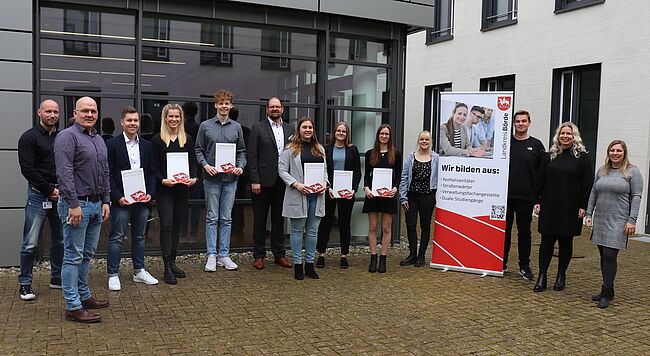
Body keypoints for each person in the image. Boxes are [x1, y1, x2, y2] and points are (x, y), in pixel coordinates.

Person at [53, 96, 110, 323]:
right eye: (84, 110)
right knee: (72, 257)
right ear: (75, 113)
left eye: (93, 111)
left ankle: (84, 295)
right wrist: (73, 205)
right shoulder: (67, 137)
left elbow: (105, 171)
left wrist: (106, 200)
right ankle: (73, 306)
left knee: (86, 255)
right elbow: (64, 173)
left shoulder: (98, 139)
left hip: (96, 204)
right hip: (77, 206)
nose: (89, 114)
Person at [533, 122, 593, 293]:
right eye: (562, 133)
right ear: (558, 136)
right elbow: (539, 180)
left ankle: (561, 275)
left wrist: (583, 206)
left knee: (566, 241)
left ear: (574, 136)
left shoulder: (582, 157)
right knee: (546, 241)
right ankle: (542, 276)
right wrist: (537, 201)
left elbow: (587, 183)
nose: (565, 136)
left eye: (569, 133)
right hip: (549, 205)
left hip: (571, 207)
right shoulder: (549, 156)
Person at [105, 107, 158, 291]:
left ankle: (139, 271)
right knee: (117, 237)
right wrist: (117, 197)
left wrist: (150, 193)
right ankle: (113, 274)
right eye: (129, 120)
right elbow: (108, 174)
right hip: (122, 201)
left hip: (142, 201)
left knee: (140, 237)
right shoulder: (112, 145)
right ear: (122, 122)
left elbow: (151, 172)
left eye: (135, 121)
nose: (133, 124)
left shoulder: (147, 145)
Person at [585, 140, 643, 308]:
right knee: (603, 255)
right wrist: (589, 214)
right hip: (601, 218)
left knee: (610, 255)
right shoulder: (602, 171)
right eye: (612, 150)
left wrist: (632, 221)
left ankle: (606, 291)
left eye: (619, 150)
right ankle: (609, 289)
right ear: (608, 152)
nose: (615, 153)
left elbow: (637, 196)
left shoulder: (632, 171)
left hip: (619, 220)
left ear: (624, 153)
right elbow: (594, 192)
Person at [17, 99, 64, 301]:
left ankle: (57, 277)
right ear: (39, 112)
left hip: (59, 195)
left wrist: (59, 190)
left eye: (55, 112)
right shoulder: (28, 138)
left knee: (60, 239)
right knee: (30, 243)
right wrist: (49, 189)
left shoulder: (62, 138)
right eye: (48, 111)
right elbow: (27, 169)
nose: (52, 115)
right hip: (38, 195)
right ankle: (25, 284)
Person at [195, 90, 246, 272]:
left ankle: (224, 255)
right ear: (215, 105)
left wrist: (240, 166)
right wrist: (205, 165)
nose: (224, 106)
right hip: (211, 179)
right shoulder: (205, 126)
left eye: (227, 103)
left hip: (231, 179)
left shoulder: (236, 127)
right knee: (211, 217)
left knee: (226, 218)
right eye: (221, 103)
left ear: (231, 106)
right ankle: (211, 255)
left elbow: (241, 152)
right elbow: (198, 150)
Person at [152, 104, 199, 284]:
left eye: (177, 117)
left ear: (181, 119)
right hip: (165, 189)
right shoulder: (158, 140)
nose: (174, 120)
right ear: (165, 118)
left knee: (177, 225)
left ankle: (173, 262)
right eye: (170, 116)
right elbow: (153, 167)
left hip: (182, 189)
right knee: (167, 225)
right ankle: (166, 267)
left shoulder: (186, 139)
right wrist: (162, 180)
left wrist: (193, 178)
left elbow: (193, 164)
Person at [278, 117, 327, 280]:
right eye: (304, 127)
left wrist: (325, 183)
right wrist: (296, 184)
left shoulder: (319, 148)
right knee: (297, 231)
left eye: (310, 127)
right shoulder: (290, 149)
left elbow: (325, 170)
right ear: (299, 129)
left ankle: (310, 265)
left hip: (316, 196)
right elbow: (282, 170)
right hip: (298, 194)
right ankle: (298, 265)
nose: (307, 130)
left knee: (312, 232)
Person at [247, 97, 293, 270]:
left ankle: (279, 254)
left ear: (282, 109)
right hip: (262, 182)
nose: (275, 109)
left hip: (283, 182)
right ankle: (259, 255)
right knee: (259, 219)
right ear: (267, 109)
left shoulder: (290, 129)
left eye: (277, 107)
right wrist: (255, 180)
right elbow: (252, 156)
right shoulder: (258, 128)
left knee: (279, 220)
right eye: (272, 106)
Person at [504, 110, 545, 279]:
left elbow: (541, 173)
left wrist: (538, 198)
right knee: (504, 231)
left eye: (524, 121)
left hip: (526, 197)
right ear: (513, 124)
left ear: (529, 123)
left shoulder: (536, 145)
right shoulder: (505, 143)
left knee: (524, 232)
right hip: (505, 196)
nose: (520, 124)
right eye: (518, 121)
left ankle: (524, 266)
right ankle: (502, 262)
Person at [315, 121, 361, 269]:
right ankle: (321, 254)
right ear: (334, 132)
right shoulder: (326, 149)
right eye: (338, 130)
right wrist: (327, 186)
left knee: (344, 223)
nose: (341, 133)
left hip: (347, 192)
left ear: (347, 134)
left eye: (344, 131)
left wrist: (353, 189)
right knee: (326, 222)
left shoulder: (352, 150)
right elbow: (323, 170)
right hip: (329, 191)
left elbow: (357, 172)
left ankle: (344, 255)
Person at [363, 124, 402, 273]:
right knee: (372, 227)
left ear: (389, 136)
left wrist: (395, 189)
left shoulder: (396, 154)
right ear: (378, 135)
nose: (384, 136)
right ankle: (373, 257)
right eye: (382, 133)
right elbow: (367, 174)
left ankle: (383, 258)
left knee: (386, 228)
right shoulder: (370, 153)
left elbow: (398, 175)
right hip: (373, 195)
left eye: (386, 134)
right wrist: (366, 189)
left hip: (388, 195)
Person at [399, 131, 439, 267]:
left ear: (430, 141)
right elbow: (404, 178)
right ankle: (412, 254)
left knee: (425, 225)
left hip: (428, 196)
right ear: (418, 141)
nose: (424, 141)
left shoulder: (436, 158)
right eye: (421, 139)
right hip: (412, 196)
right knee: (410, 224)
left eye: (427, 139)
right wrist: (403, 198)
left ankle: (421, 256)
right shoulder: (411, 157)